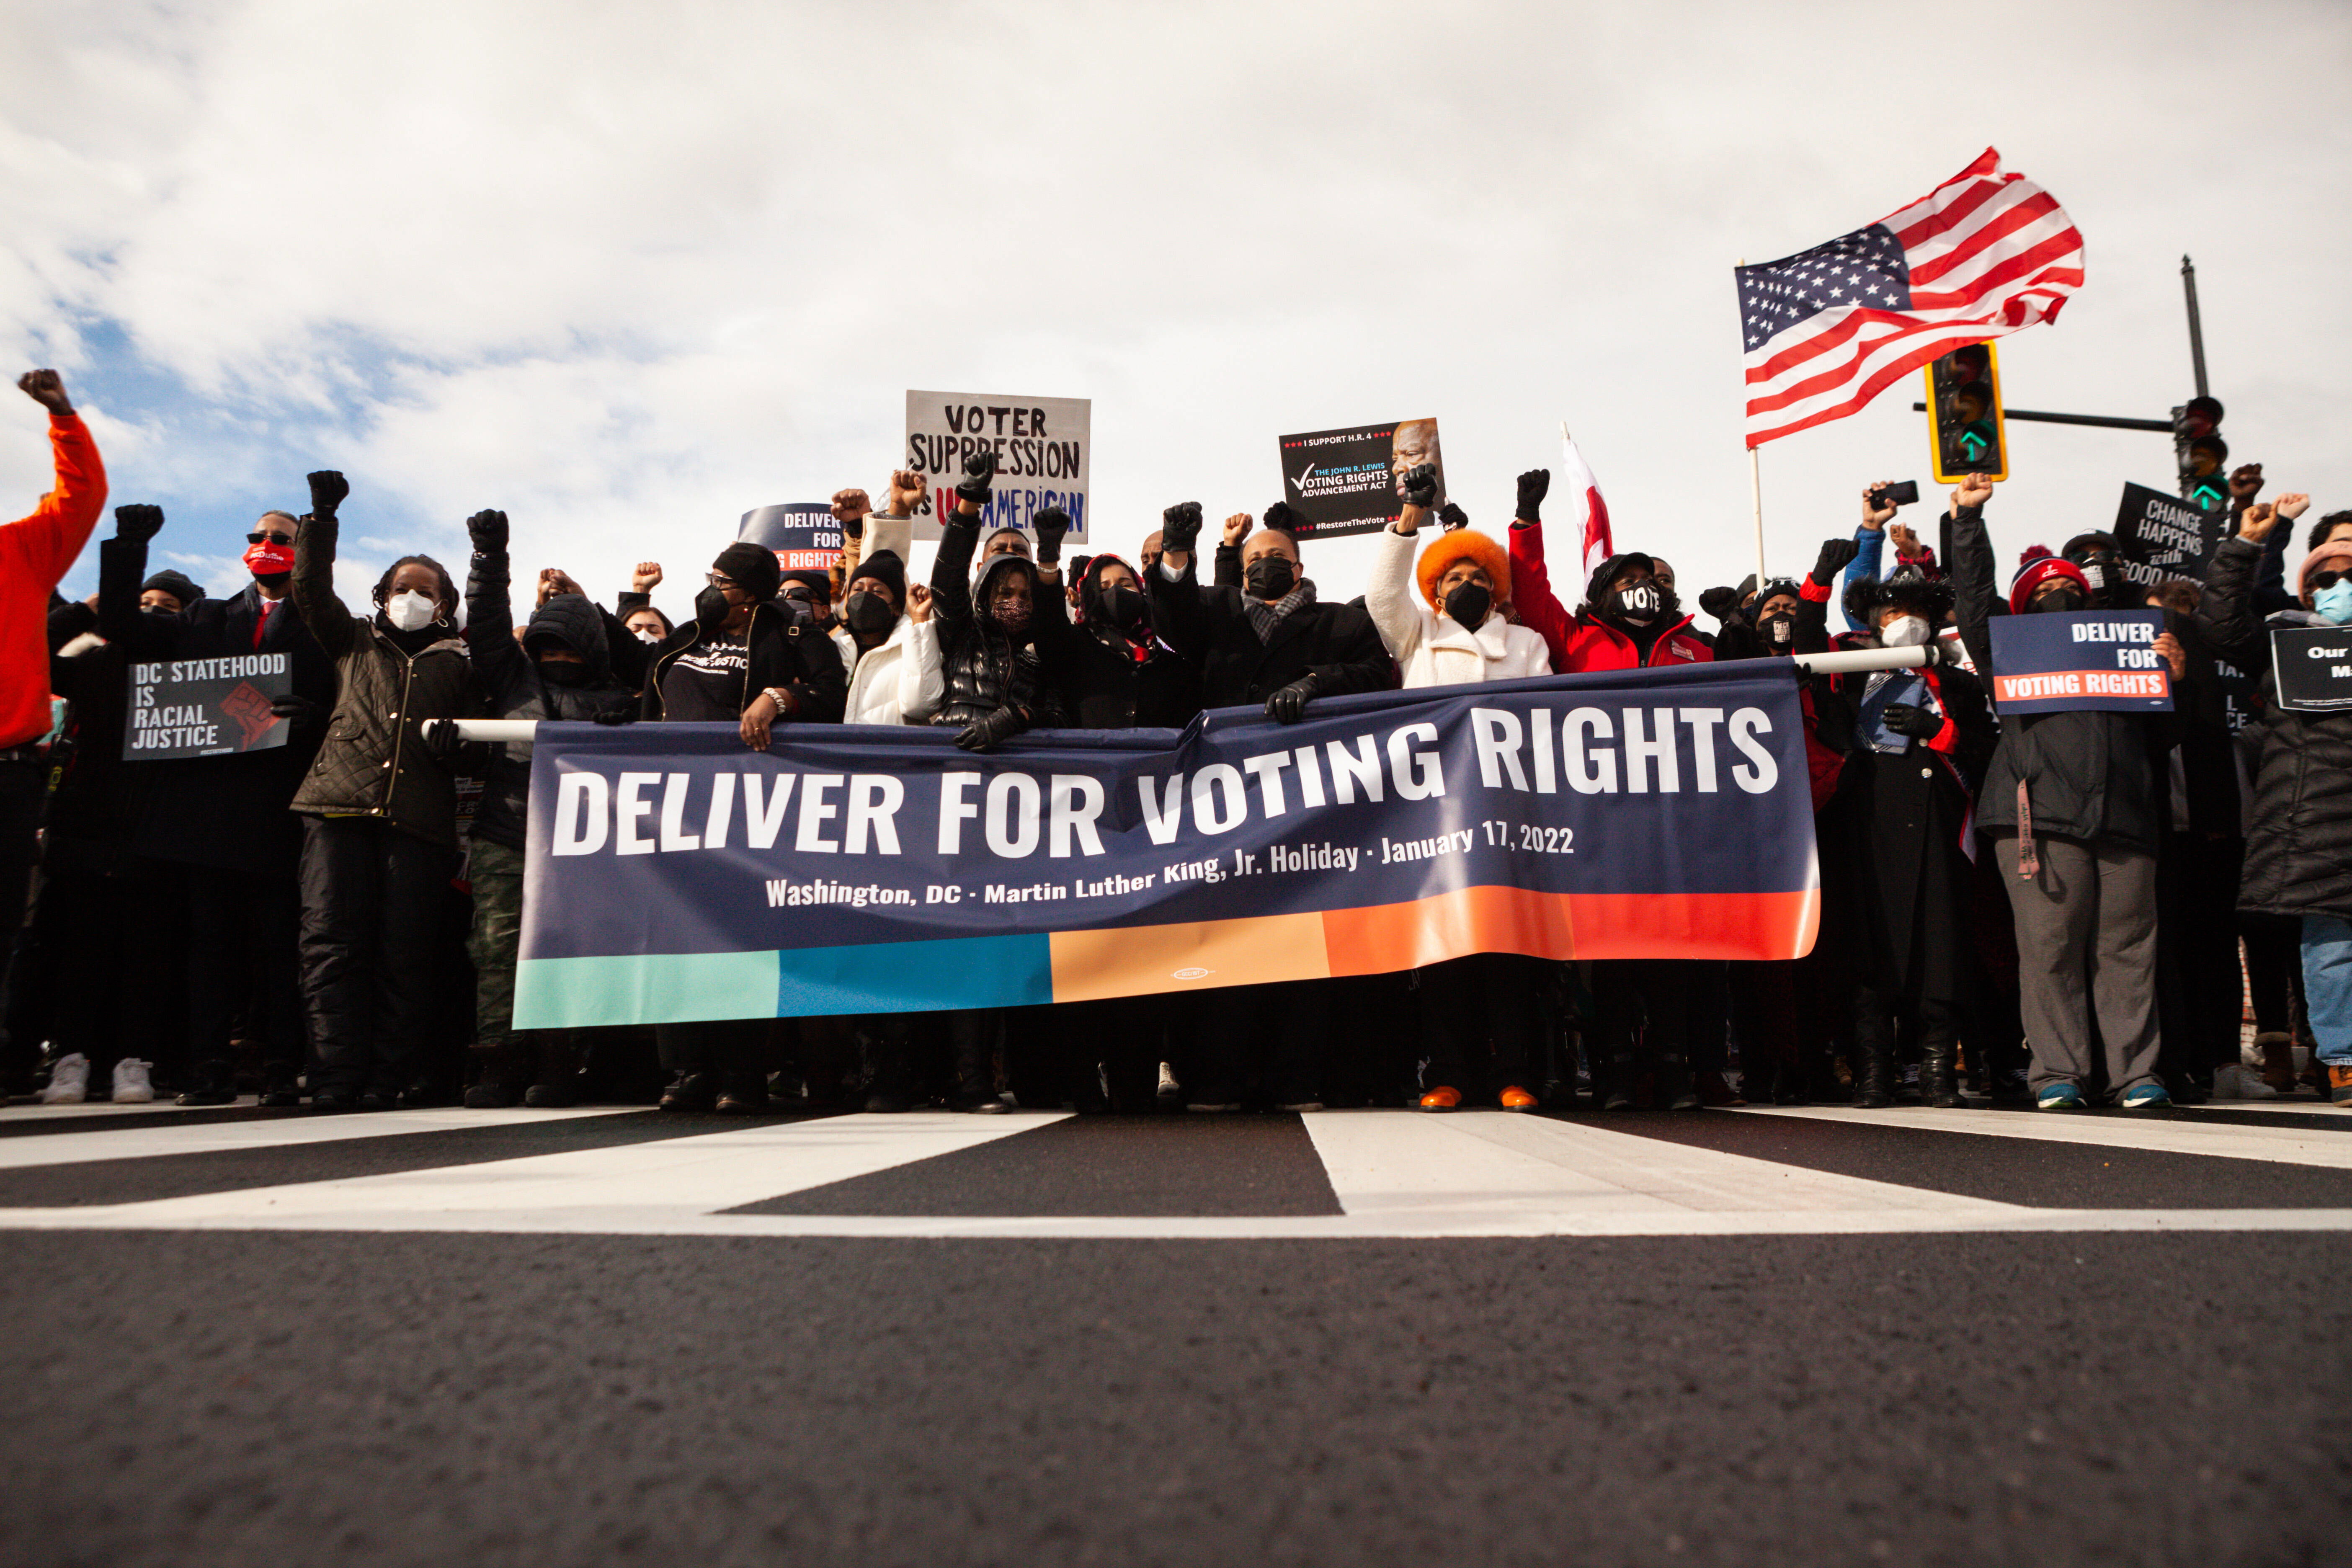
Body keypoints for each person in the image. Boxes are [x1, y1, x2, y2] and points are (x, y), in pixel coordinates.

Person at [1144, 494, 1393, 1112]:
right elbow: (1171, 613)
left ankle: (1293, 1079)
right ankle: (1218, 1078)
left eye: (1276, 559)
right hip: (1228, 806)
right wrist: (1179, 553)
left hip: (1312, 808)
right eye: (1254, 560)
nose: (1263, 568)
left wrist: (1317, 684)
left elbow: (1376, 674)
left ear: (1299, 569)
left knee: (1300, 945)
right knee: (1227, 944)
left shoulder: (1340, 623)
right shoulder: (1217, 613)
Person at [1948, 472, 2184, 1110]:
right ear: (2024, 612)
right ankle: (2058, 1072)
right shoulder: (2012, 649)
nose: (2058, 596)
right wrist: (1968, 524)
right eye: (2045, 592)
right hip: (2040, 816)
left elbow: (2166, 739)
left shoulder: (2130, 648)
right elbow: (1973, 603)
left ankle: (2136, 1074)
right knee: (2050, 948)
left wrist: (2174, 681)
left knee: (2128, 949)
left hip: (2126, 818)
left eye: (2069, 589)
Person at [91, 500, 337, 1106]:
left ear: (302, 547)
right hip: (206, 814)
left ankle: (282, 1064)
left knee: (281, 948)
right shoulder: (204, 616)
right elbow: (124, 627)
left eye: (281, 536)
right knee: (210, 948)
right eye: (257, 535)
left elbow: (347, 704)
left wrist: (316, 721)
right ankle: (208, 1064)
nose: (266, 542)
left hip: (280, 810)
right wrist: (129, 548)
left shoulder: (326, 626)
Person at [627, 533, 845, 1112]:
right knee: (677, 934)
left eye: (721, 583)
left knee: (736, 937)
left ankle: (740, 1073)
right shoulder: (684, 637)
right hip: (672, 806)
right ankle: (687, 1068)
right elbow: (644, 692)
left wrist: (778, 696)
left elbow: (830, 691)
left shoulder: (794, 635)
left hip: (748, 807)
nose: (710, 592)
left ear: (748, 596)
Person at [287, 472, 485, 1112]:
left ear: (445, 604)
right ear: (381, 597)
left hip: (416, 825)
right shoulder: (351, 642)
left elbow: (481, 740)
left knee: (405, 956)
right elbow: (309, 589)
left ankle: (385, 1079)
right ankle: (332, 1077)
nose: (411, 599)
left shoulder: (459, 664)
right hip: (336, 810)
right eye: (401, 589)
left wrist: (463, 744)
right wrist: (321, 518)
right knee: (331, 946)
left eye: (425, 592)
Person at [1364, 464, 1553, 1111]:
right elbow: (1383, 597)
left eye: (1479, 578)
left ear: (1498, 591)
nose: (1468, 585)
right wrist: (1409, 520)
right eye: (1454, 578)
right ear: (1436, 591)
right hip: (1436, 815)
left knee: (1507, 949)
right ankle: (1446, 1073)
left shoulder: (1526, 644)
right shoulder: (1418, 637)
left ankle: (1517, 1074)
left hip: (1505, 813)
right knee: (1445, 950)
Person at [450, 508, 644, 1108]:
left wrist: (625, 724)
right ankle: (499, 1066)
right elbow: (484, 625)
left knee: (571, 953)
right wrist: (490, 557)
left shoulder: (621, 697)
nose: (555, 651)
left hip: (584, 844)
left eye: (568, 641)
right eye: (545, 642)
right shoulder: (514, 682)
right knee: (497, 952)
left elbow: (650, 669)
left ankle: (561, 1063)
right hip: (507, 835)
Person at [1809, 566, 1995, 1108]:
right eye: (1892, 614)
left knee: (1939, 952)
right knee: (1869, 957)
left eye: (1915, 613)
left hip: (1936, 838)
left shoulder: (1956, 683)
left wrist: (1936, 731)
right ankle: (1874, 1072)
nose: (1904, 624)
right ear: (1873, 623)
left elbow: (1987, 750)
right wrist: (1819, 585)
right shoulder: (1849, 677)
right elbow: (1804, 650)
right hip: (1867, 835)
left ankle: (1938, 1071)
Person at [2198, 500, 2352, 1104]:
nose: (2340, 588)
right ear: (2310, 593)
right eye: (2327, 580)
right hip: (2315, 818)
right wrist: (2244, 546)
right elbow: (2221, 628)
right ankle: (2342, 1061)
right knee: (2332, 949)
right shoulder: (2284, 643)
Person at [0, 371, 107, 1094]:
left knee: (5, 925)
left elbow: (81, 499)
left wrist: (63, 418)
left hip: (9, 770)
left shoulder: (20, 550)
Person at [1506, 470, 1712, 673]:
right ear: (1606, 595)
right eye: (1628, 581)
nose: (1642, 587)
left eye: (1649, 581)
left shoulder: (1698, 651)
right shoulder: (1574, 638)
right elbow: (1531, 594)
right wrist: (1527, 519)